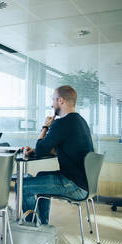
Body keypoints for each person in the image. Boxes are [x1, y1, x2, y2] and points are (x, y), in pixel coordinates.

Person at [20, 85, 93, 224]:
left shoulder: (62, 123)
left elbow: (41, 149)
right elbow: (62, 148)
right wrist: (36, 150)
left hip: (72, 184)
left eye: (53, 99)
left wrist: (45, 126)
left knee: (22, 185)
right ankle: (43, 224)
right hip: (84, 183)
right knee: (41, 175)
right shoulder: (80, 121)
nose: (51, 103)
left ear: (61, 100)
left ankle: (32, 226)